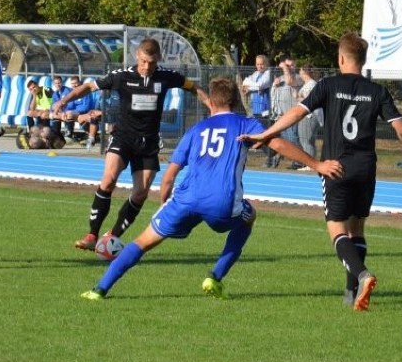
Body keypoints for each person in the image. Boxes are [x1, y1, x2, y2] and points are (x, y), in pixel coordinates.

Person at [80, 77, 343, 301]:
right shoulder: (245, 124)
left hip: (185, 199)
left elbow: (170, 175)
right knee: (249, 217)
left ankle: (99, 289)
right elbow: (277, 145)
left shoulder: (196, 129)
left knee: (143, 241)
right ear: (235, 101)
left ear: (212, 102)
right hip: (222, 203)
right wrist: (316, 164)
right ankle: (215, 277)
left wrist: (165, 203)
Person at [242, 32, 402, 312]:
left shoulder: (329, 85)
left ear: (340, 58)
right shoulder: (377, 91)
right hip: (365, 169)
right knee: (357, 229)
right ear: (362, 60)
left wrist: (267, 133)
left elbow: (297, 113)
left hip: (335, 167)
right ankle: (350, 292)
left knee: (336, 229)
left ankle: (362, 276)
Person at [53, 37, 208, 252]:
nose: (147, 67)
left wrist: (212, 105)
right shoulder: (122, 76)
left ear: (158, 59)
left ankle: (112, 237)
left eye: (151, 63)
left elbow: (193, 87)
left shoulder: (166, 77)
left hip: (149, 143)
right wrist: (64, 100)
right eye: (144, 62)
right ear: (138, 57)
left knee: (140, 193)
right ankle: (91, 234)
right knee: (108, 181)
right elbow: (89, 87)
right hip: (123, 137)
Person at [241, 54, 276, 167]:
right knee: (258, 135)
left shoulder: (269, 73)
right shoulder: (256, 74)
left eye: (262, 64)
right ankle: (271, 156)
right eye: (258, 64)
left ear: (266, 64)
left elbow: (261, 85)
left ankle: (272, 157)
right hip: (255, 109)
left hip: (265, 110)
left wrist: (252, 87)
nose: (260, 66)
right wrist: (254, 87)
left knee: (265, 135)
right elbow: (245, 82)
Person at [269, 54, 303, 168]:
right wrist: (274, 84)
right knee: (287, 141)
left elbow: (289, 81)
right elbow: (274, 95)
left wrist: (284, 68)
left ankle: (300, 161)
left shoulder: (297, 78)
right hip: (282, 115)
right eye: (287, 65)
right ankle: (292, 159)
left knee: (293, 139)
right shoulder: (280, 79)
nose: (289, 67)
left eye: (291, 65)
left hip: (293, 114)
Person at [295, 63, 322, 170]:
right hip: (307, 116)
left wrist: (297, 97)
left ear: (305, 72)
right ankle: (311, 163)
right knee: (307, 140)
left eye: (301, 70)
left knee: (305, 140)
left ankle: (310, 164)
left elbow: (308, 100)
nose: (299, 73)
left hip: (309, 116)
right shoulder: (308, 84)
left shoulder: (311, 84)